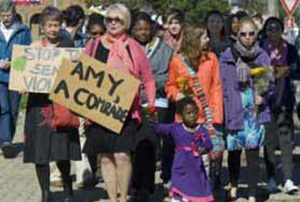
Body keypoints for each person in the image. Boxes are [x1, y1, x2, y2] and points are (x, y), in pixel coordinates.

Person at [83, 4, 156, 202]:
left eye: (117, 20)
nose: (113, 23)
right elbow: (81, 70)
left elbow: (148, 78)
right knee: (105, 157)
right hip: (98, 109)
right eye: (109, 19)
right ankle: (112, 199)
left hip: (126, 112)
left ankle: (123, 198)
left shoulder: (134, 47)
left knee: (123, 155)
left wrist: (150, 103)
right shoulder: (94, 44)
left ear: (126, 23)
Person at [23, 6, 81, 202]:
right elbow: (19, 66)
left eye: (56, 25)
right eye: (50, 25)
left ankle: (67, 189)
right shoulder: (34, 47)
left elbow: (77, 73)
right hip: (38, 107)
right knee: (40, 152)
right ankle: (45, 193)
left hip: (61, 105)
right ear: (43, 27)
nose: (53, 29)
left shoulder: (68, 44)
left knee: (61, 150)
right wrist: (21, 81)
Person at [219, 18, 273, 202]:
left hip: (255, 113)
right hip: (234, 110)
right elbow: (221, 86)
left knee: (253, 155)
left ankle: (251, 193)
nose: (248, 37)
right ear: (237, 35)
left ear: (256, 35)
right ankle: (233, 187)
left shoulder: (262, 56)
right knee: (233, 153)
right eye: (243, 33)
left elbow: (269, 84)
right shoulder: (226, 57)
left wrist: (263, 96)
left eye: (251, 33)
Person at [130, 11, 174, 201]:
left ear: (152, 28)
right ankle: (135, 182)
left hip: (156, 101)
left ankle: (145, 187)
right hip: (130, 101)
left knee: (148, 142)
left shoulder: (164, 49)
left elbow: (171, 75)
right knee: (133, 144)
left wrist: (151, 82)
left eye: (146, 28)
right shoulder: (126, 47)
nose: (142, 32)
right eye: (138, 29)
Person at [261, 17, 300, 194]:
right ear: (265, 31)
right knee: (269, 141)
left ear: (282, 30)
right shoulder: (261, 48)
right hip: (266, 101)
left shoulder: (290, 49)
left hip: (285, 99)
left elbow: (298, 70)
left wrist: (289, 70)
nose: (273, 32)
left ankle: (288, 178)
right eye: (270, 29)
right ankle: (270, 178)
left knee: (286, 140)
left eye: (276, 28)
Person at [153, 97, 214, 202]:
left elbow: (209, 144)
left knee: (197, 192)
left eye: (195, 113)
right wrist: (153, 120)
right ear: (181, 115)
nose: (192, 116)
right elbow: (160, 128)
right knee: (179, 194)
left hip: (196, 169)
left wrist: (203, 148)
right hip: (180, 168)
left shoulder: (202, 130)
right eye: (188, 113)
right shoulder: (176, 128)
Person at [0, 0, 31, 158]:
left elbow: (28, 53)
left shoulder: (23, 31)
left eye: (9, 15)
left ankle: (7, 140)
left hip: (15, 75)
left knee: (13, 110)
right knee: (3, 108)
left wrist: (14, 63)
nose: (6, 18)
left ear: (14, 14)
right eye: (3, 15)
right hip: (0, 76)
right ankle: (5, 141)